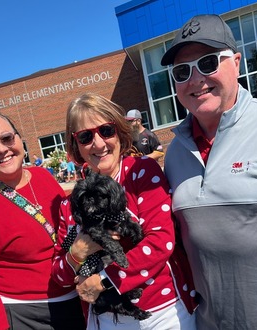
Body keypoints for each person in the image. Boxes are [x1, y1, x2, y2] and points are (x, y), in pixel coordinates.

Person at [160, 14, 257, 330]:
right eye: (182, 71)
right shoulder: (174, 154)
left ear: (237, 63)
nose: (196, 79)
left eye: (208, 62)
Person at [52, 93, 197, 330]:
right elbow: (59, 276)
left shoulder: (141, 172)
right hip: (104, 320)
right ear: (76, 145)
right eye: (86, 136)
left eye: (106, 130)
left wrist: (104, 280)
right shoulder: (70, 204)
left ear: (119, 131)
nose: (98, 144)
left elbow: (161, 241)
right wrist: (76, 254)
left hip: (161, 314)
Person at [0, 112, 85, 330]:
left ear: (19, 140)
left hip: (76, 299)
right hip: (27, 314)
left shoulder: (43, 176)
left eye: (7, 138)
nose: (1, 149)